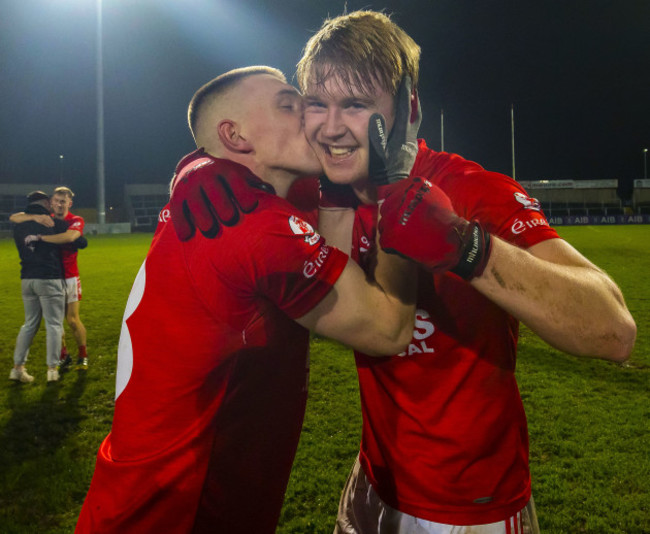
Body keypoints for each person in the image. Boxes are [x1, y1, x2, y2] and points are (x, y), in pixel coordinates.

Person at [290, 10, 637, 534]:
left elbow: (613, 330)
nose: (331, 127)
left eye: (356, 105)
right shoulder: (327, 191)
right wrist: (201, 168)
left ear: (408, 110)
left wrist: (467, 247)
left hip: (470, 508)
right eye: (318, 103)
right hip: (372, 480)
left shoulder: (473, 191)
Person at [76, 66, 425, 533]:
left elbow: (336, 269)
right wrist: (396, 181)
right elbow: (387, 328)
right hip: (177, 514)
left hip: (150, 495)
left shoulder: (250, 195)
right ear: (235, 135)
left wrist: (192, 164)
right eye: (290, 105)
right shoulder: (255, 223)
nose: (312, 115)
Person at [10, 186, 88, 369]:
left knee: (72, 320)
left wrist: (40, 238)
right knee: (55, 322)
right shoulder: (46, 219)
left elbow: (70, 237)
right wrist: (34, 217)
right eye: (56, 201)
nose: (59, 205)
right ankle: (63, 355)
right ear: (51, 202)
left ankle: (82, 355)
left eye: (63, 201)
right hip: (50, 277)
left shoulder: (75, 220)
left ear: (70, 203)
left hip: (69, 276)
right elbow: (14, 217)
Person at [10, 191, 68, 383]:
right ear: (44, 202)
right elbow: (77, 240)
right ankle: (52, 370)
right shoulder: (51, 222)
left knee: (29, 324)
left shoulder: (19, 223)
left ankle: (17, 368)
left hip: (27, 278)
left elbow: (15, 217)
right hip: (49, 277)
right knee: (54, 324)